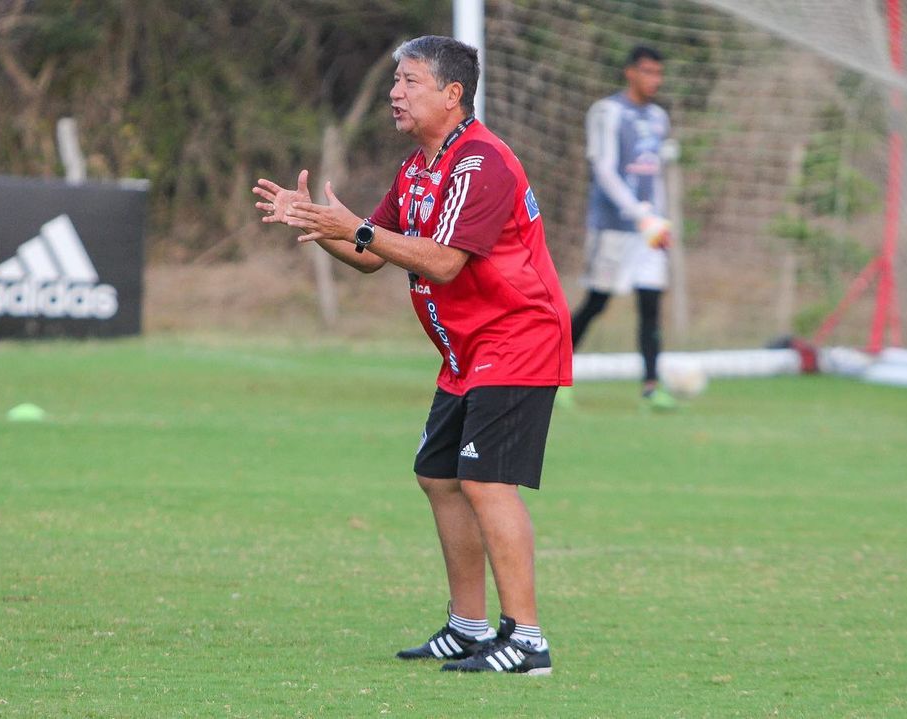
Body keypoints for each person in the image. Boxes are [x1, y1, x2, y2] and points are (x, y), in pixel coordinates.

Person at [252, 35, 571, 675]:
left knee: (484, 480)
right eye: (395, 81)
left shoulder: (481, 163)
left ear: (453, 95)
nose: (395, 93)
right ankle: (468, 626)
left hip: (517, 339)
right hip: (466, 351)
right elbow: (371, 254)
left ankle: (527, 639)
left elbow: (446, 263)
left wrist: (359, 229)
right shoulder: (419, 168)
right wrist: (320, 226)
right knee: (438, 475)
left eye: (410, 82)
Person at [566, 45, 676, 411]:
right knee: (596, 303)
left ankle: (651, 387)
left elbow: (655, 172)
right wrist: (638, 213)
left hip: (647, 230)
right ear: (630, 72)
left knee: (650, 304)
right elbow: (605, 171)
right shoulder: (608, 111)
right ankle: (554, 377)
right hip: (613, 227)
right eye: (647, 72)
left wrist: (657, 219)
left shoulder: (659, 117)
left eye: (658, 73)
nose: (654, 80)